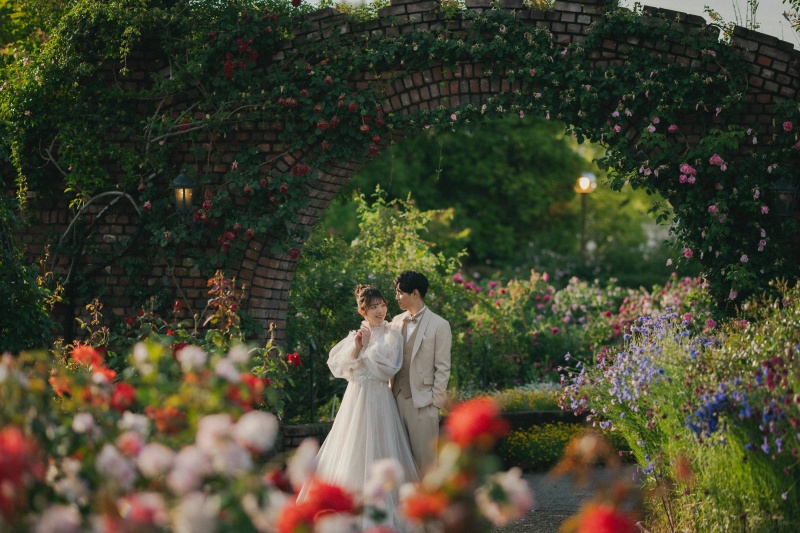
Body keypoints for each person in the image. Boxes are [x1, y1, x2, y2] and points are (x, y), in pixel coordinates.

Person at [297, 285, 419, 528]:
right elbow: (340, 366)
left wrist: (368, 348)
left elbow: (389, 367)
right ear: (363, 311)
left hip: (380, 399)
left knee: (381, 447)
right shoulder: (356, 334)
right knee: (351, 446)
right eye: (373, 307)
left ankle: (383, 512)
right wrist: (356, 346)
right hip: (356, 399)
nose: (380, 310)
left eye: (383, 305)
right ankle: (347, 509)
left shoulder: (392, 335)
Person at [389, 270, 452, 473]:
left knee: (426, 464)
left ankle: (431, 504)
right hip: (395, 398)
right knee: (401, 461)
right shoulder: (396, 322)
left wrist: (436, 404)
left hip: (423, 403)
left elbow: (443, 367)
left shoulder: (440, 325)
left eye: (400, 292)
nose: (396, 297)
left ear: (415, 293)